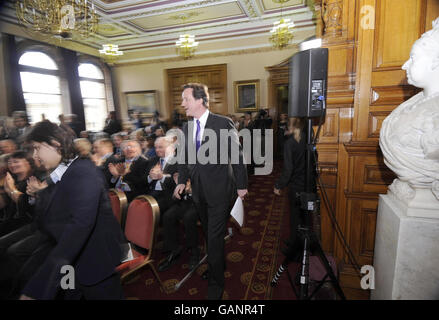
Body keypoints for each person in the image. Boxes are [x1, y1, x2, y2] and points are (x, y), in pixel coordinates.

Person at [19, 120, 125, 300]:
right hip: (73, 259)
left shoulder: (84, 171)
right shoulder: (61, 172)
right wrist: (41, 194)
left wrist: (39, 286)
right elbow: (52, 217)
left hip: (95, 260)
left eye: (37, 148)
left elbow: (80, 226)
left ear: (55, 143)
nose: (35, 156)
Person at [173, 83, 248, 300]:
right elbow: (184, 157)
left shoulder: (222, 123)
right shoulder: (187, 127)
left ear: (199, 100)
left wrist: (242, 186)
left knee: (214, 239)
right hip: (198, 193)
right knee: (209, 234)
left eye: (186, 99)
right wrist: (182, 180)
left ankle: (216, 285)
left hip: (220, 192)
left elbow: (237, 155)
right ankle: (218, 263)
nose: (182, 103)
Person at [273, 117, 316, 261]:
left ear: (290, 126)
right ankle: (298, 244)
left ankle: (295, 250)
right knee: (306, 218)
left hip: (296, 187)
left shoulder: (290, 143)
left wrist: (278, 185)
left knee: (295, 219)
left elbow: (288, 170)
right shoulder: (308, 140)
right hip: (309, 185)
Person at [146, 136, 178, 213]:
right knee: (137, 205)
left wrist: (162, 177)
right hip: (152, 193)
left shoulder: (179, 161)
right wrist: (150, 177)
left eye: (160, 147)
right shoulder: (152, 160)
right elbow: (143, 180)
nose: (157, 150)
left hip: (169, 195)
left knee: (149, 209)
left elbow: (180, 182)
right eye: (155, 147)